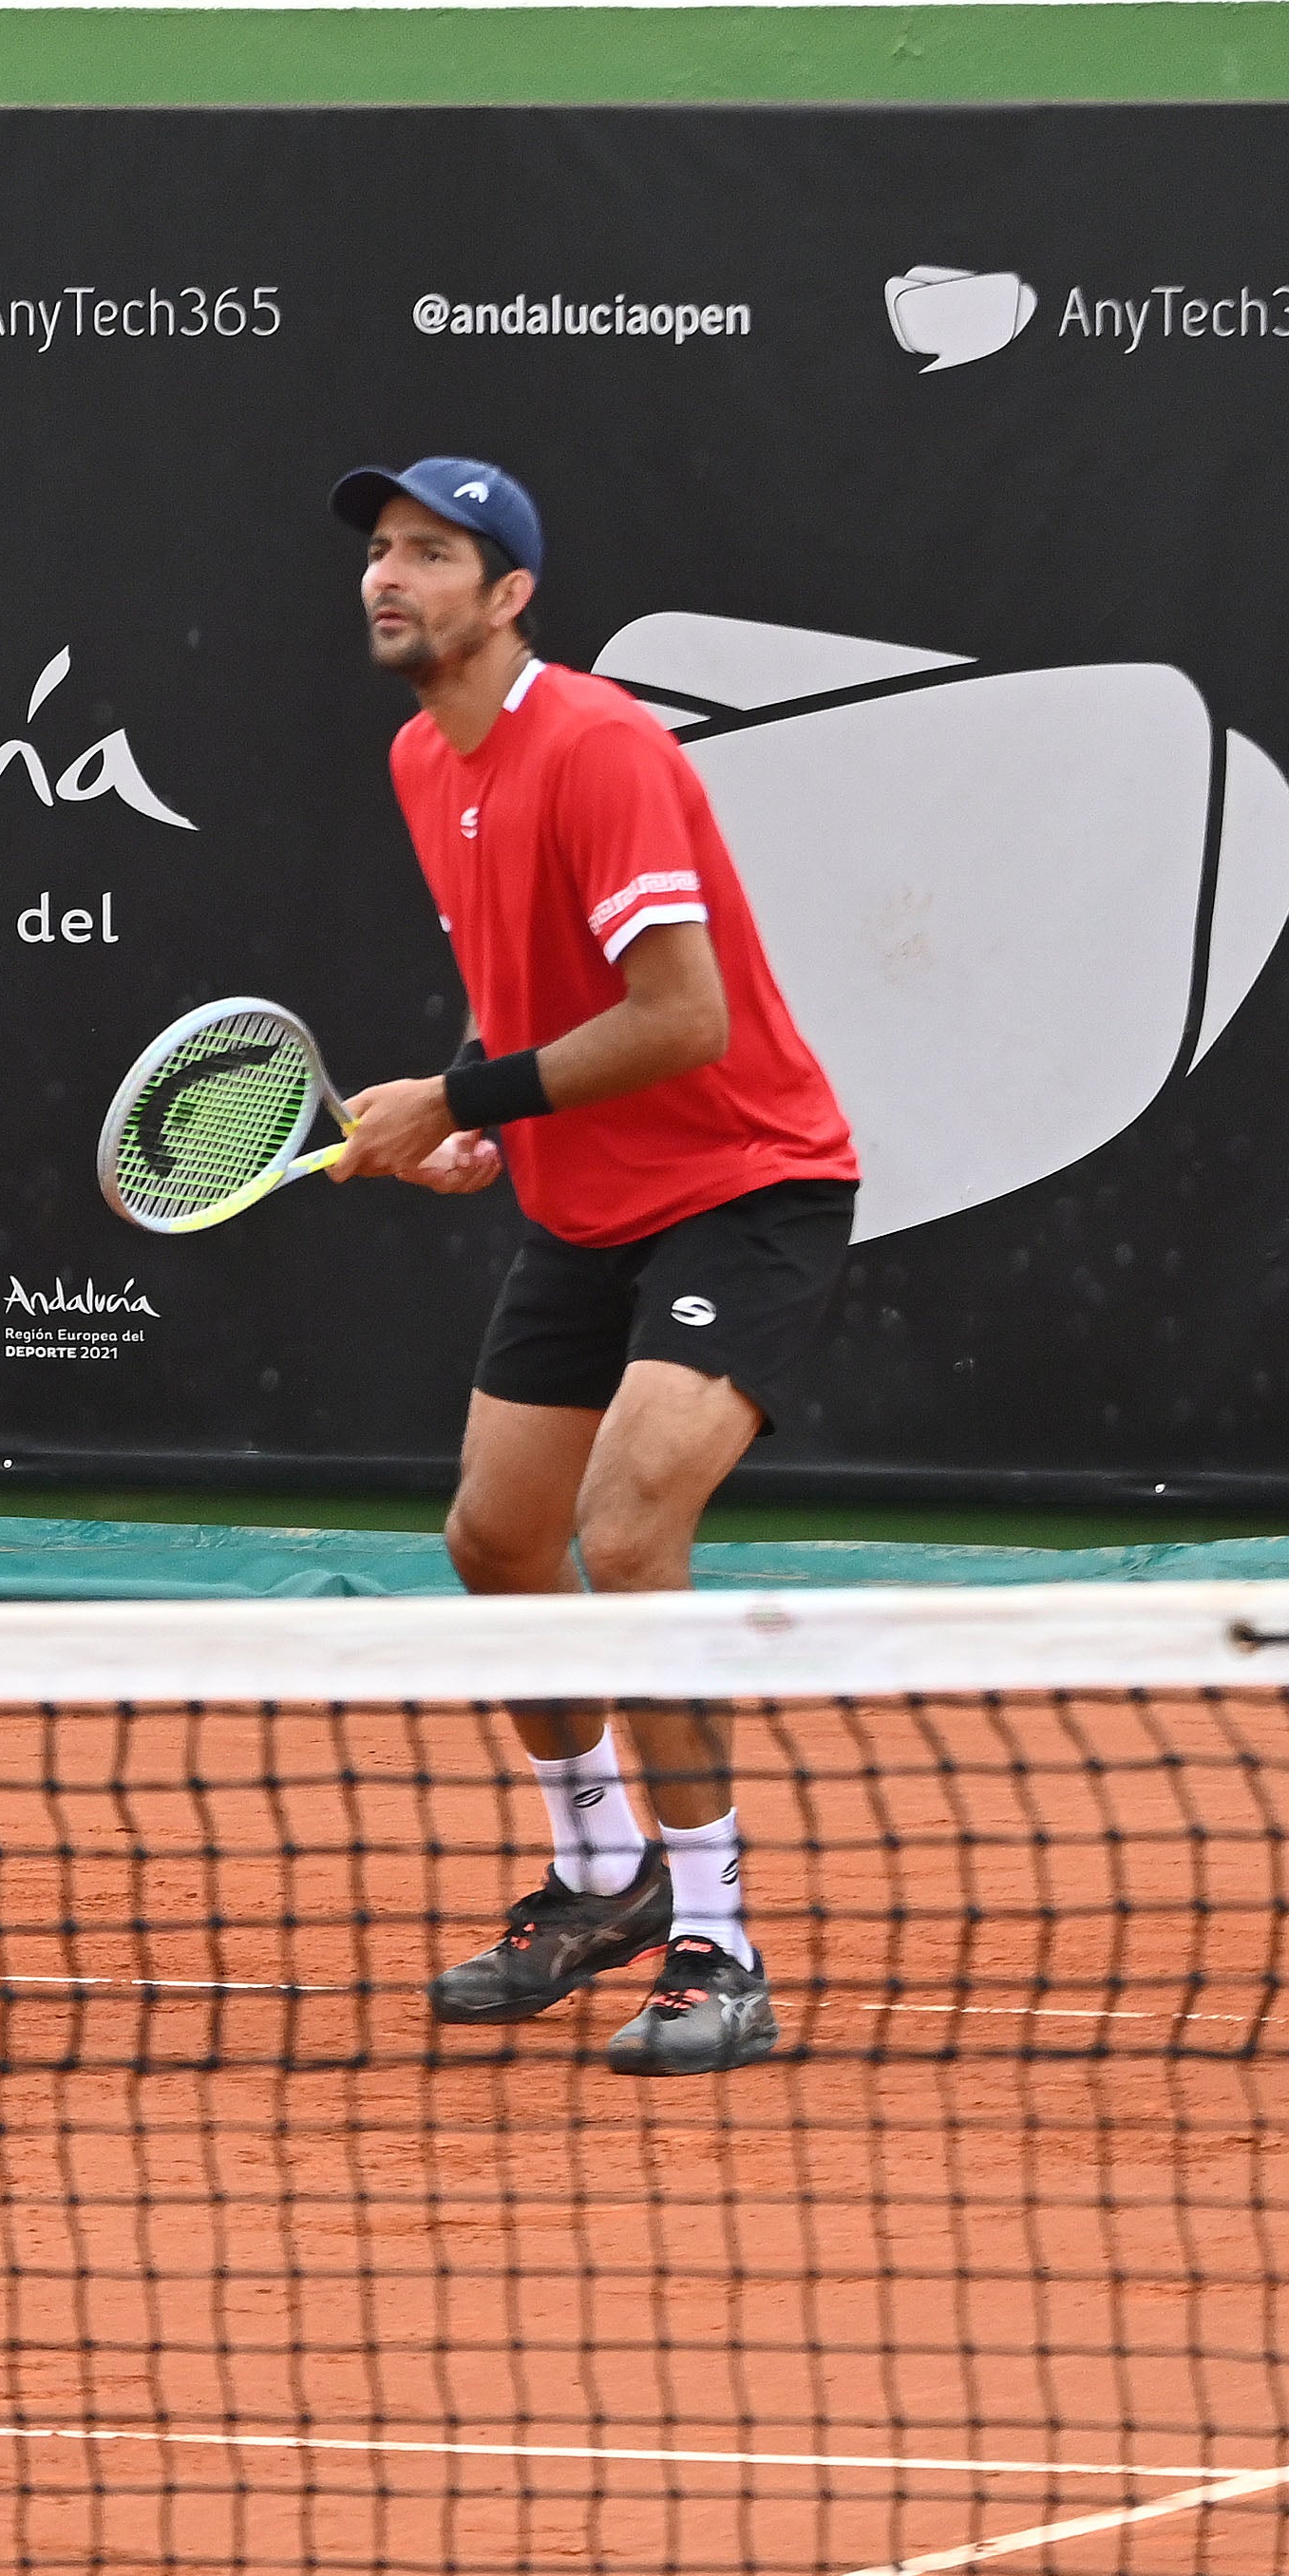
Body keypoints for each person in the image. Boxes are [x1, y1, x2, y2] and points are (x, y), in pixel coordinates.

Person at [321, 460, 862, 2078]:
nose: (387, 577)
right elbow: (532, 991)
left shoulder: (604, 745)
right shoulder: (425, 759)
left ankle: (720, 1942)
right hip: (583, 1203)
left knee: (627, 1531)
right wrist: (475, 1114)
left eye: (431, 555)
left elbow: (685, 1015)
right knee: (495, 1541)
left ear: (510, 597)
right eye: (379, 552)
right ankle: (602, 1871)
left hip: (747, 1186)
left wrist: (460, 1093)